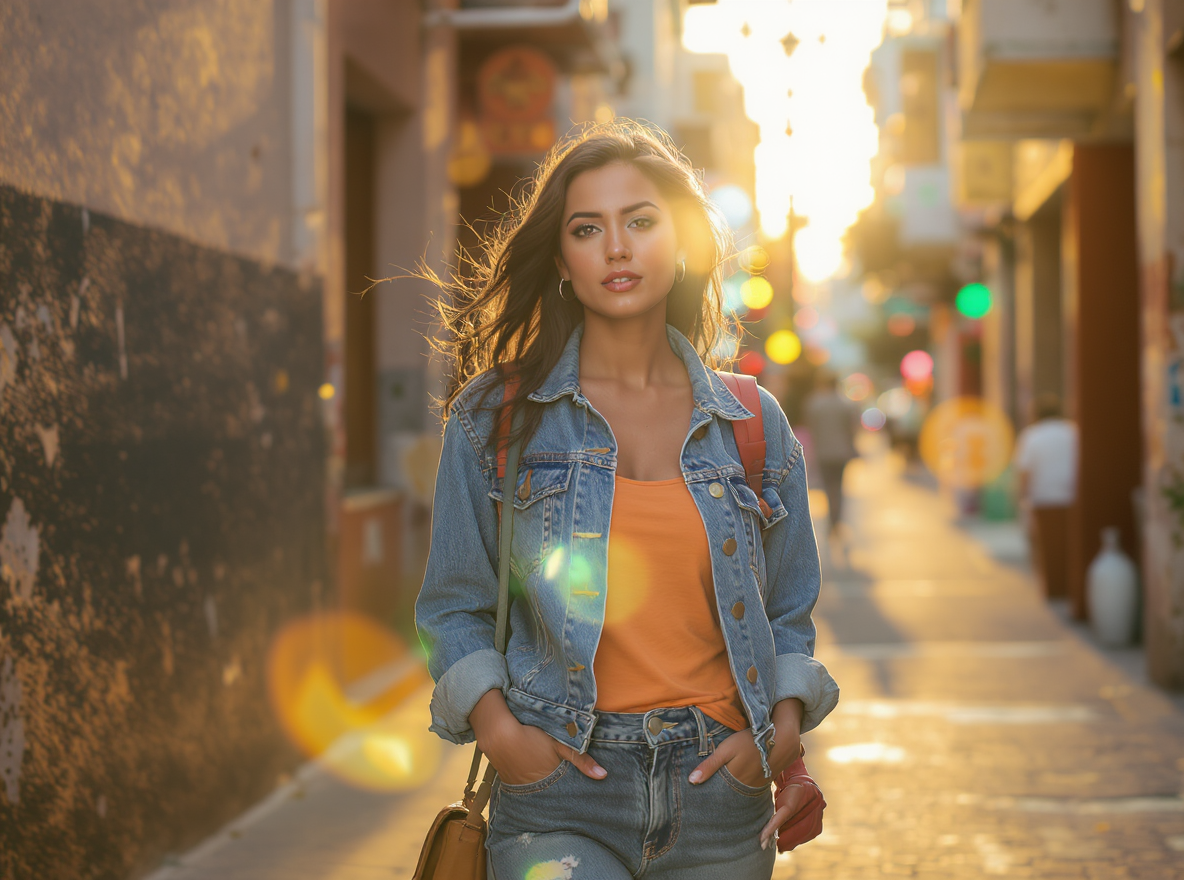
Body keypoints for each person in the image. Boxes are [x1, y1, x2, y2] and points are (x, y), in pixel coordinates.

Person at [415, 121, 839, 879]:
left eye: (640, 221)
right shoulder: (496, 418)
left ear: (680, 246)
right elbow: (453, 607)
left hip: (721, 792)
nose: (617, 246)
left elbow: (788, 612)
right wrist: (505, 738)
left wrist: (776, 732)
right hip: (560, 790)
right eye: (588, 228)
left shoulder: (752, 423)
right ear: (562, 261)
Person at [1013, 394, 1078, 599]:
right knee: (1070, 546)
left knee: (1047, 549)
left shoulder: (1031, 435)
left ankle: (1053, 590)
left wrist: (1022, 498)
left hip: (1043, 499)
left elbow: (1024, 472)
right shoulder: (1072, 431)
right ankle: (1070, 588)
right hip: (1072, 498)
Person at [803, 371, 859, 535]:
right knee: (838, 487)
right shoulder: (845, 404)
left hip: (822, 452)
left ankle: (831, 520)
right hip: (841, 452)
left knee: (827, 487)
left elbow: (810, 428)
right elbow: (851, 430)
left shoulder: (814, 403)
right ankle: (836, 521)